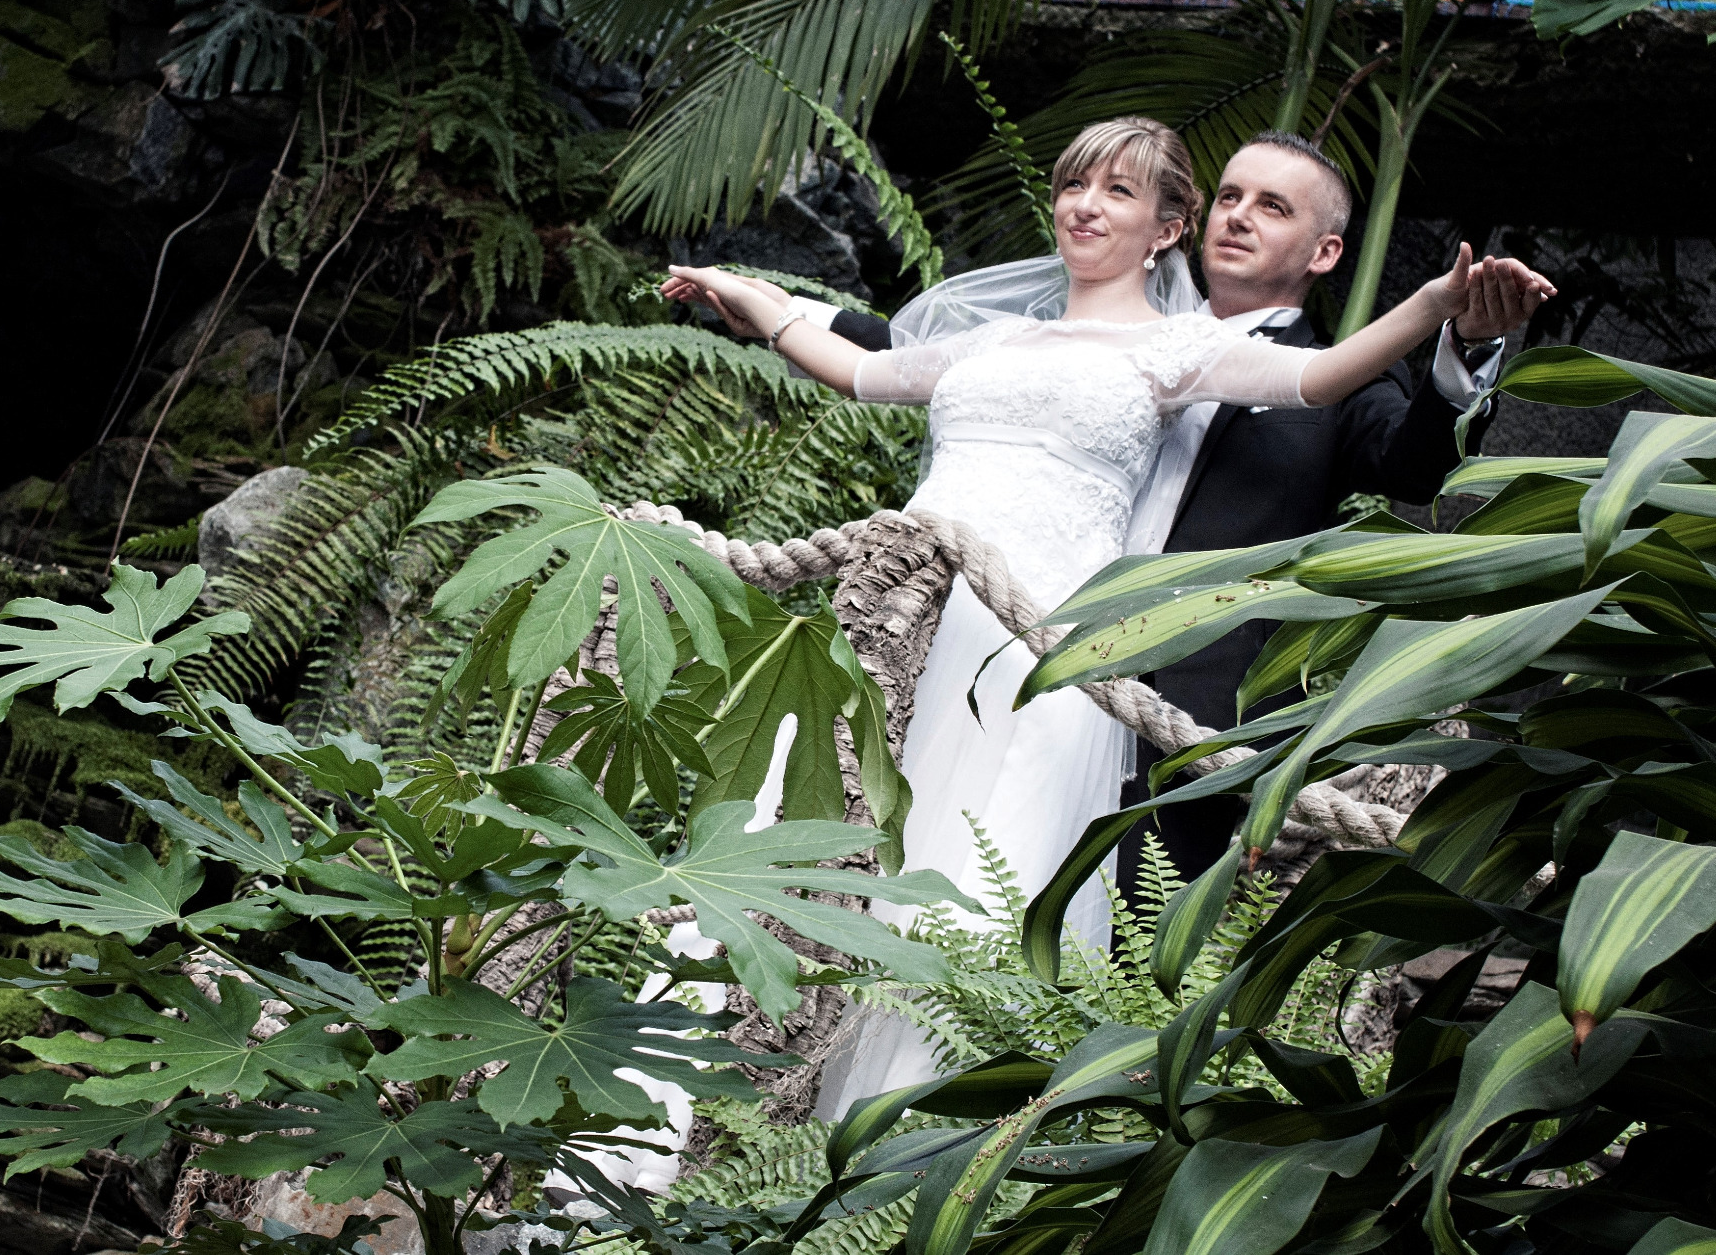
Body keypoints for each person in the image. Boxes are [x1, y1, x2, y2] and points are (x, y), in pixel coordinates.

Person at [660, 116, 1553, 1116]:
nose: (1238, 217)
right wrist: (777, 304)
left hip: (1167, 706)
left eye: (1271, 206)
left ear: (1323, 250)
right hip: (953, 616)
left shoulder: (1322, 374)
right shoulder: (1046, 332)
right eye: (1228, 195)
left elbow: (1406, 459)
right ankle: (745, 1077)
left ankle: (963, 1129)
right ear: (1187, 220)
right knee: (848, 820)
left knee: (1041, 917)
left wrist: (1451, 331)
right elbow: (907, 359)